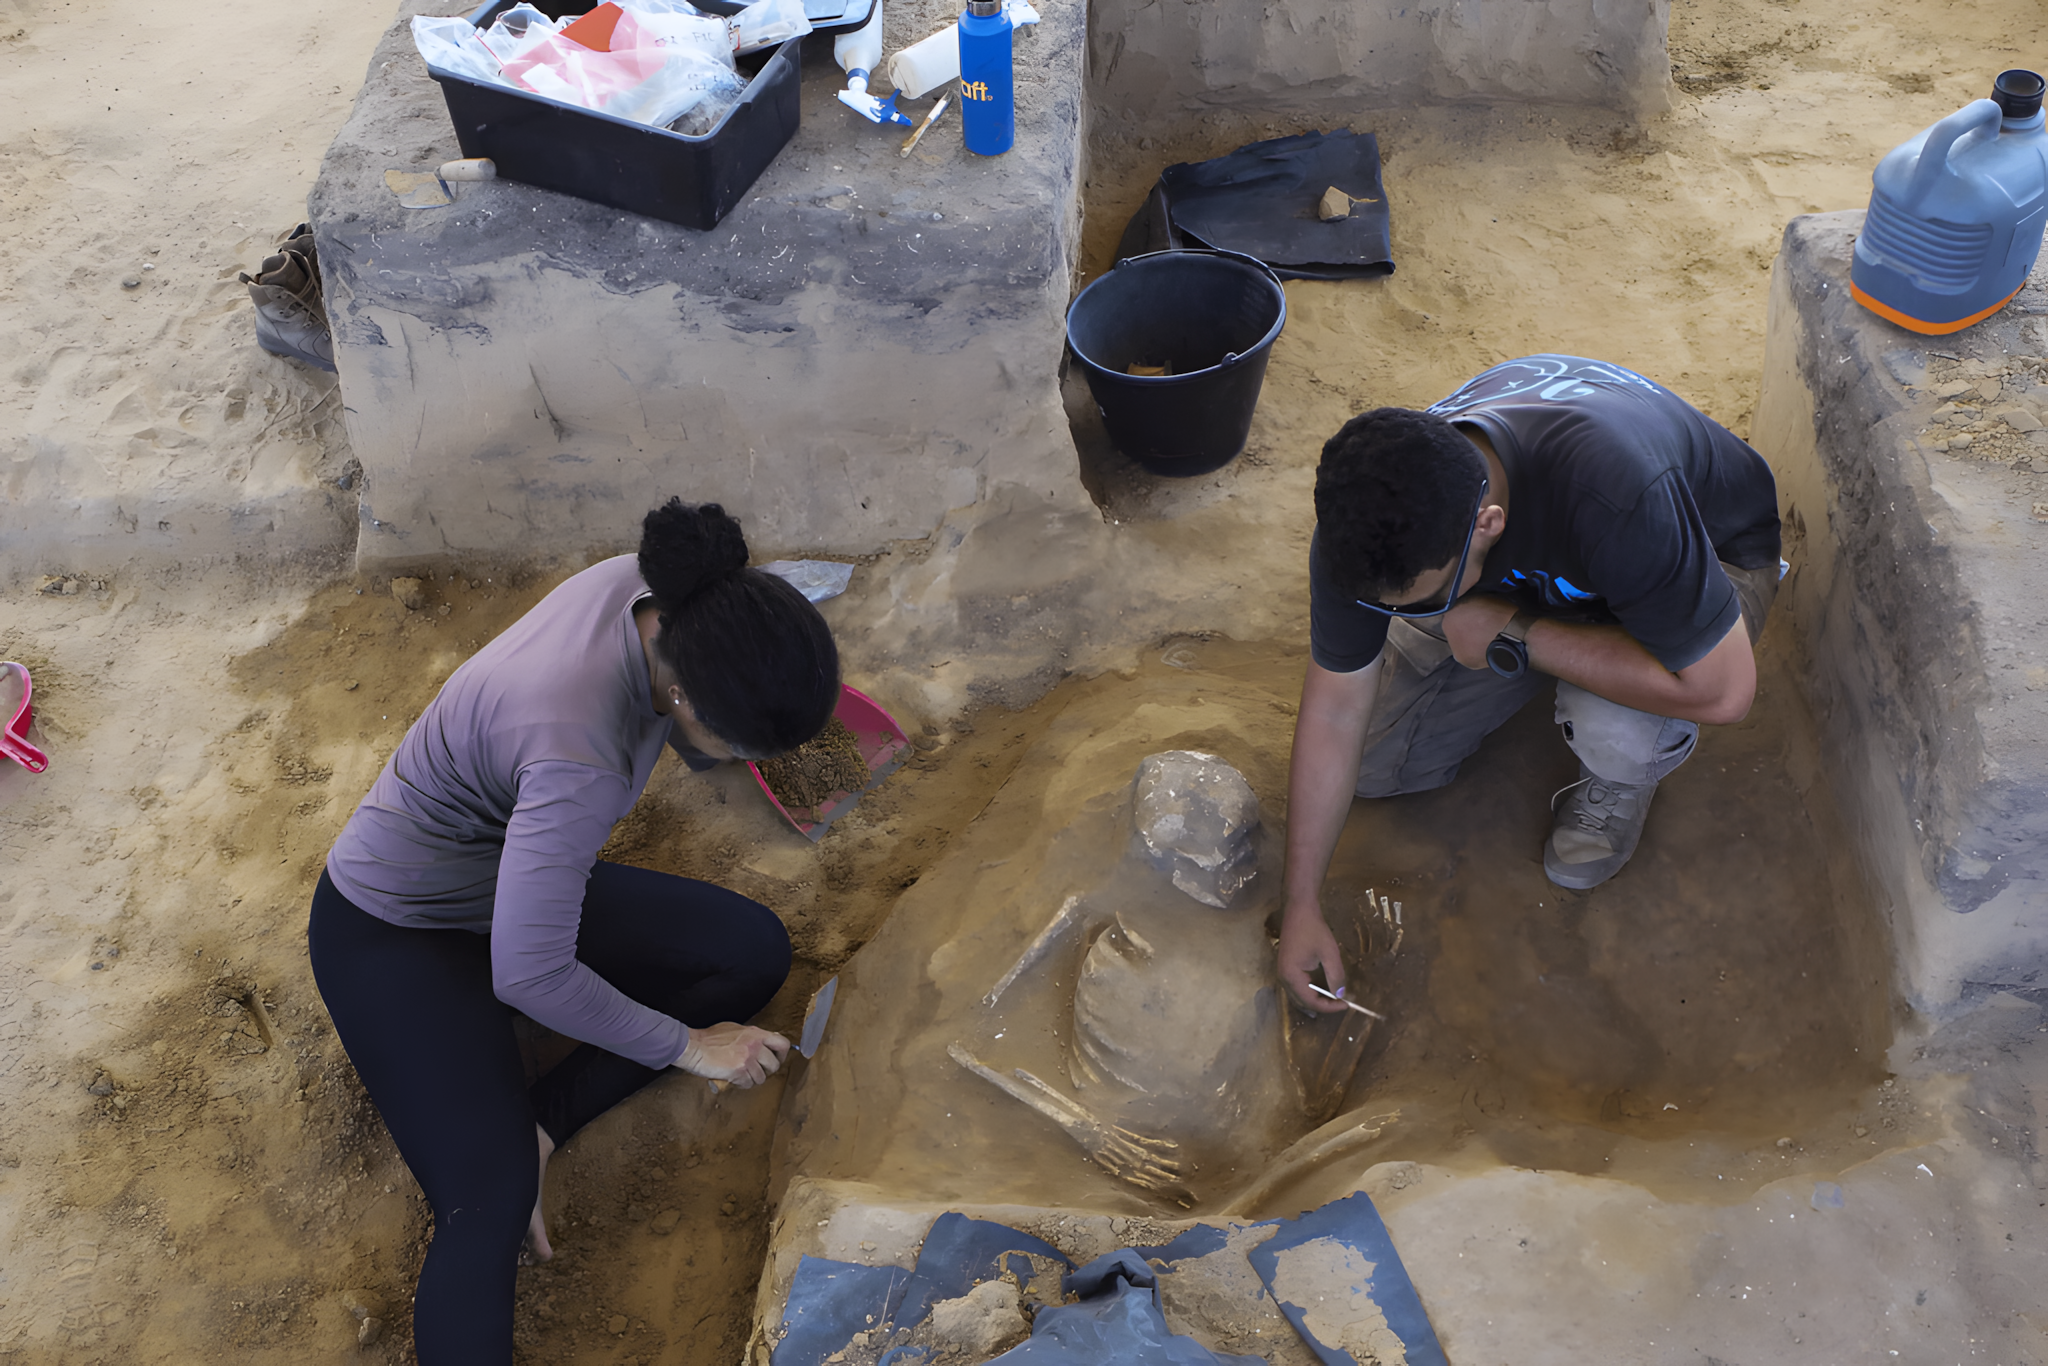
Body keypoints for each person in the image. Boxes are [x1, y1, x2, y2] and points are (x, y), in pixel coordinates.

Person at [308, 499, 840, 1363]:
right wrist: (690, 1048)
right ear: (683, 693)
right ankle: (503, 1155)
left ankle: (541, 1122)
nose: (745, 766)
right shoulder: (576, 756)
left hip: (508, 879)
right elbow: (532, 974)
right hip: (396, 925)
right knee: (486, 1204)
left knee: (750, 953)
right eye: (741, 746)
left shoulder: (665, 593)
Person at [1277, 355, 1782, 1012]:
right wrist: (1301, 902)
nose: (1404, 613)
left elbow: (1724, 692)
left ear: (1487, 524)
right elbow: (1336, 712)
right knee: (1375, 764)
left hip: (1708, 556)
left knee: (1618, 728)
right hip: (1539, 575)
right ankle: (1532, 639)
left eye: (1425, 598)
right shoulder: (1363, 522)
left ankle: (1616, 768)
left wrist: (1517, 633)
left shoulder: (1617, 494)